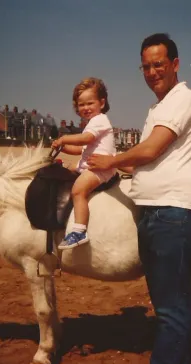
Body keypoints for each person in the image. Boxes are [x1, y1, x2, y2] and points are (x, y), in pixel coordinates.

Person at [87, 33, 191, 364]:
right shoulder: (159, 107)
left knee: (172, 312)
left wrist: (111, 160)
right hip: (153, 214)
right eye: (146, 66)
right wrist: (94, 165)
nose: (152, 72)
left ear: (174, 65)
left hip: (173, 215)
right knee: (168, 309)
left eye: (159, 64)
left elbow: (151, 149)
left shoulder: (183, 100)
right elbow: (142, 162)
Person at [52, 77, 117, 250]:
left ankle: (79, 231)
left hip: (100, 168)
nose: (86, 108)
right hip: (91, 163)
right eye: (81, 105)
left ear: (101, 103)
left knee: (78, 190)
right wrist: (64, 147)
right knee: (69, 168)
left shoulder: (100, 120)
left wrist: (64, 138)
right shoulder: (92, 123)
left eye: (90, 103)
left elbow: (85, 139)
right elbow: (81, 149)